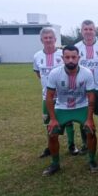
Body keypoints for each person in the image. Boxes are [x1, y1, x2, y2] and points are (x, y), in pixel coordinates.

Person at [42, 45, 97, 176]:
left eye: (73, 57)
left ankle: (92, 161)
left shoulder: (87, 73)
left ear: (79, 57)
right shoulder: (55, 73)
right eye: (67, 57)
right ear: (63, 58)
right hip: (62, 107)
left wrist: (89, 119)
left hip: (81, 106)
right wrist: (53, 119)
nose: (70, 60)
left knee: (91, 131)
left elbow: (91, 97)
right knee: (52, 133)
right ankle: (55, 164)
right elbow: (49, 96)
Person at [33, 27, 79, 158]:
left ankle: (72, 145)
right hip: (47, 96)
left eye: (50, 37)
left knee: (68, 121)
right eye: (45, 38)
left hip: (64, 95)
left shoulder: (62, 54)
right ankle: (50, 146)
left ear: (55, 39)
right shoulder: (37, 56)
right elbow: (38, 74)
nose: (48, 40)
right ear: (41, 40)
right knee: (48, 122)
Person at [75, 20, 98, 159]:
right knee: (84, 117)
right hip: (82, 89)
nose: (88, 31)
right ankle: (85, 143)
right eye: (85, 29)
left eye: (91, 29)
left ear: (95, 30)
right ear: (81, 31)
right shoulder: (76, 47)